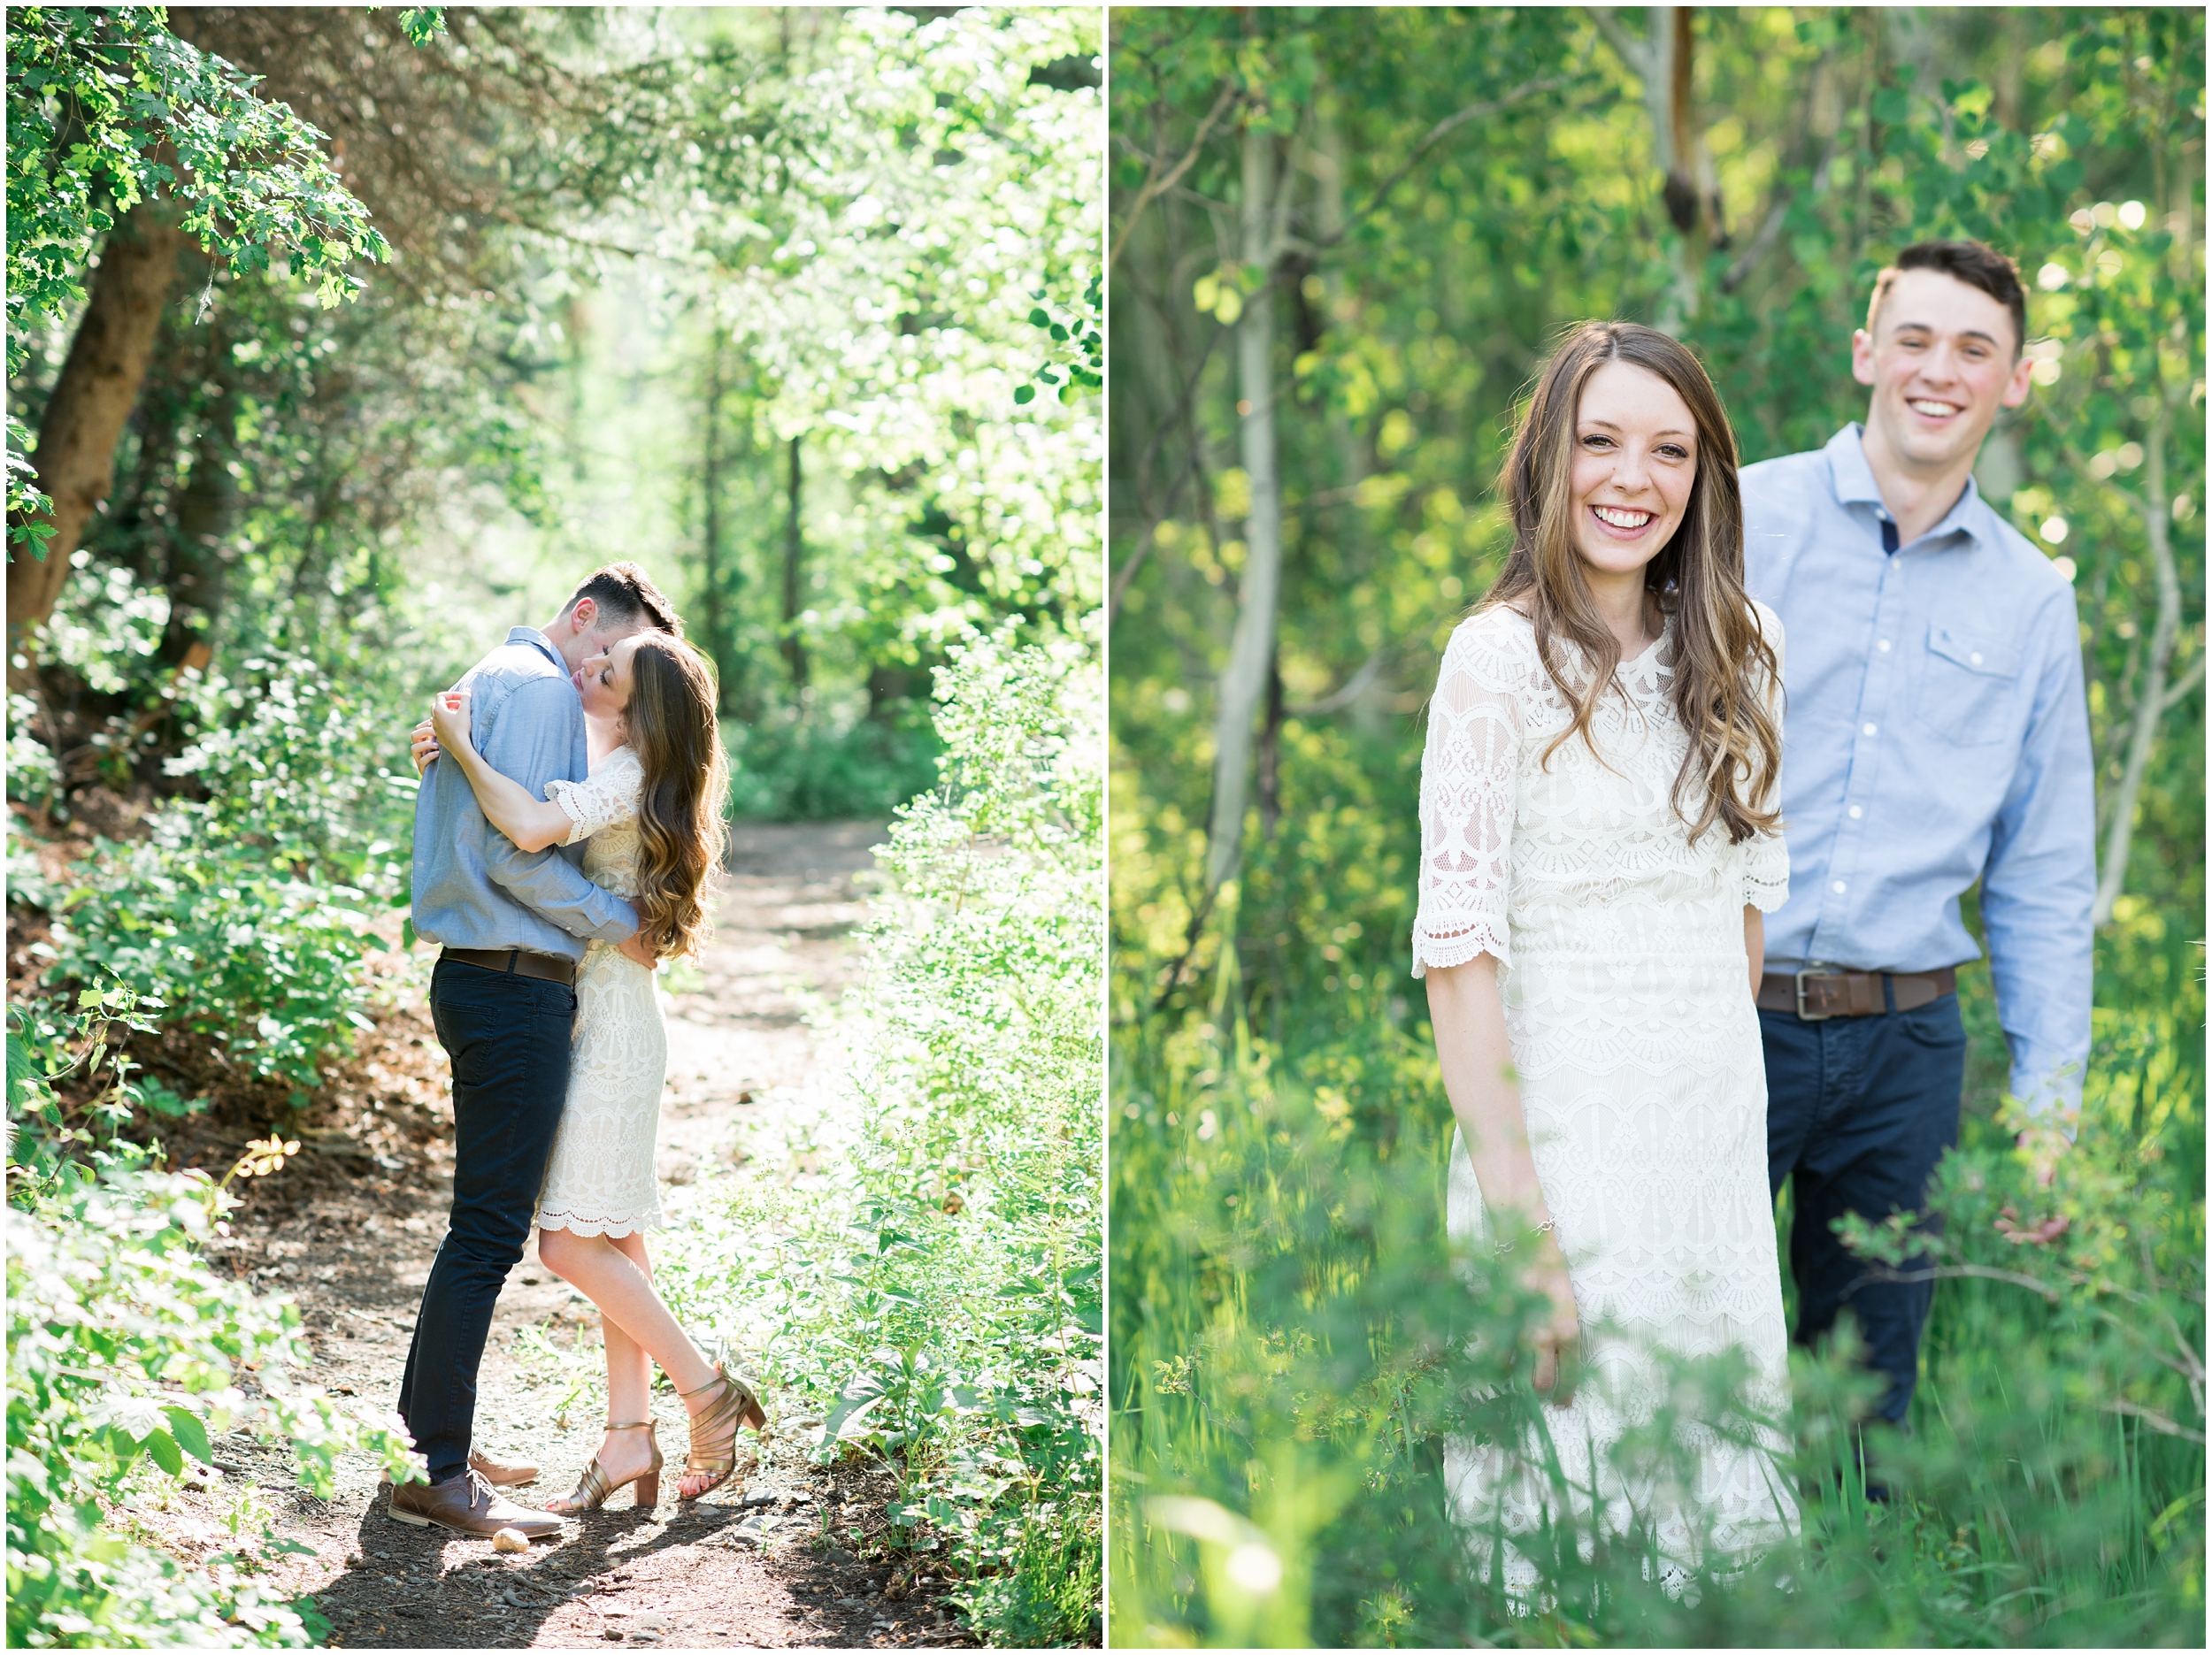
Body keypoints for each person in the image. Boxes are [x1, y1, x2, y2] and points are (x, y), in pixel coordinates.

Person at [1415, 321, 1797, 1598]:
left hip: (1706, 1157)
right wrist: (1525, 1238)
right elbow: (1460, 960)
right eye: (1602, 441)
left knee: (1720, 1524)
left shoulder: (1749, 653)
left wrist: (1706, 1118)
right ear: (1550, 458)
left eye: (1669, 449)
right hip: (1560, 1157)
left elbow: (1743, 919)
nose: (1633, 477)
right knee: (1566, 1532)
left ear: (1704, 477)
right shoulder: (1494, 663)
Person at [1739, 240, 2094, 1441]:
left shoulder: (2033, 597)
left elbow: (2044, 873)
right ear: (1866, 354)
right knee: (1686, 1351)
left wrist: (2047, 1115)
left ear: (2016, 380)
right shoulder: (1739, 514)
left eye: (1975, 349)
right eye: (1917, 339)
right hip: (1718, 1010)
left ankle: (1846, 1619)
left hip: (1905, 1050)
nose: (1941, 371)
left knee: (1863, 1407)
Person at [417, 627, 768, 1515]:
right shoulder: (621, 756)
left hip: (609, 1022)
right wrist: (449, 752)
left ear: (640, 703)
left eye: (607, 672)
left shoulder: (629, 770)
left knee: (568, 1242)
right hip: (598, 1009)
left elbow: (529, 826)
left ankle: (704, 1387)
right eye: (594, 659)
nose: (588, 670)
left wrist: (458, 746)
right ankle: (626, 1434)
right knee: (613, 1236)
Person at [388, 563, 678, 1540]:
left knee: (478, 1223)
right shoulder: (544, 683)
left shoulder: (500, 674)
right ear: (585, 617)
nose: (605, 677)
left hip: (489, 975)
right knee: (486, 1231)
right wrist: (613, 918)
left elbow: (491, 815)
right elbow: (517, 848)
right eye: (608, 653)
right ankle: (442, 1470)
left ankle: (439, 1442)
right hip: (511, 984)